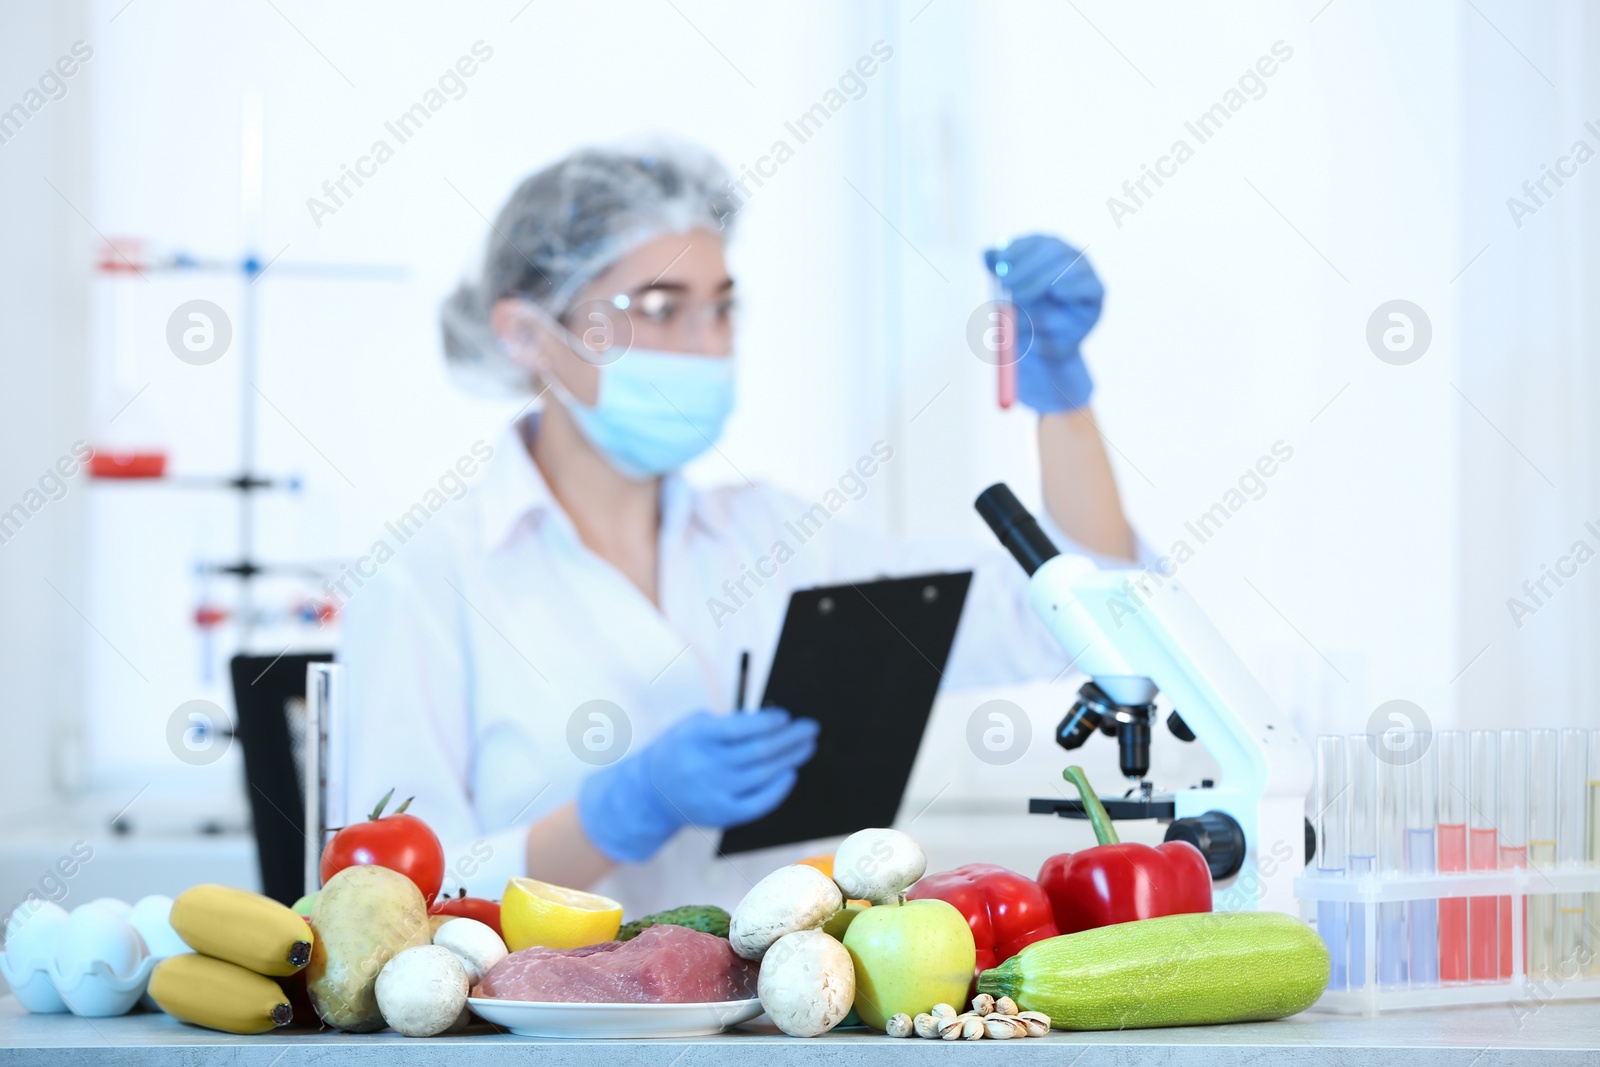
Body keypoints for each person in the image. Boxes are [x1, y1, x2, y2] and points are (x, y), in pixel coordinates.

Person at [339, 139, 1140, 914]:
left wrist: (1059, 396)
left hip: (777, 1024)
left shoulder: (775, 540)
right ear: (525, 333)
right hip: (540, 1039)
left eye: (721, 310)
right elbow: (389, 900)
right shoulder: (427, 577)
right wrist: (613, 814)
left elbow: (1077, 609)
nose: (704, 346)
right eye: (659, 308)